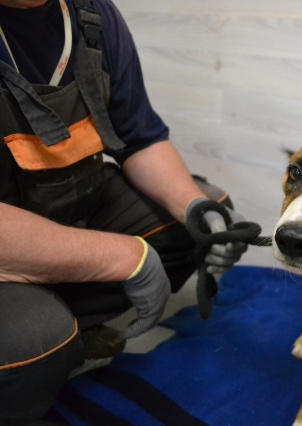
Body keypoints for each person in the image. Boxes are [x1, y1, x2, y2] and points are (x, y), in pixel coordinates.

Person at [0, 0, 247, 422]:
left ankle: (69, 327)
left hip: (67, 207)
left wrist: (195, 208)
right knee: (36, 342)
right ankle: (46, 341)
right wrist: (122, 256)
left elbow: (140, 139)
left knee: (204, 216)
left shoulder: (92, 16)